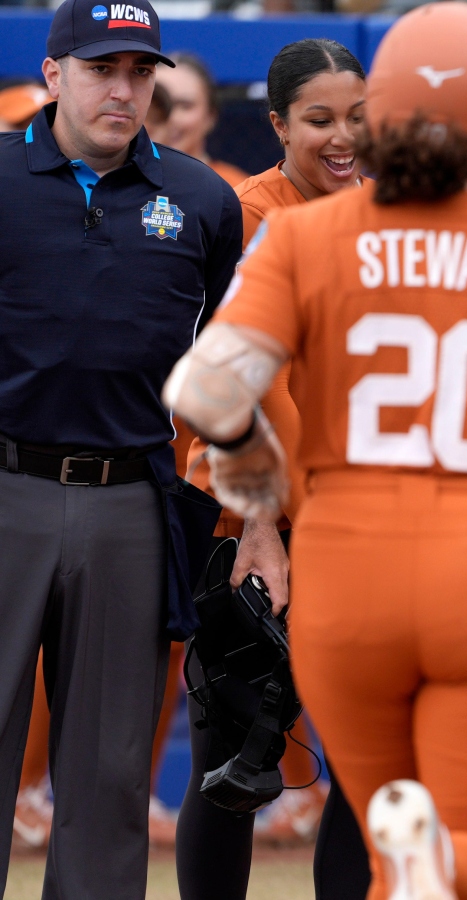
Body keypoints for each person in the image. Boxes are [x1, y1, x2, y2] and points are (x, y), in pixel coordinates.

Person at [163, 3, 467, 896]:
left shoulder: (308, 236)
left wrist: (256, 477)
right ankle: (440, 859)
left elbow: (205, 389)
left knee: (360, 790)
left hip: (355, 567)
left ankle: (419, 857)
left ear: (383, 108)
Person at [0, 0, 242, 893]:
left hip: (133, 495)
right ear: (54, 75)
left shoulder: (203, 199)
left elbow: (233, 363)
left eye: (141, 73)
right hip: (4, 481)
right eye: (103, 69)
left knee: (109, 772)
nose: (125, 90)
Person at [173, 36, 371, 900]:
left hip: (365, 524)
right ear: (278, 124)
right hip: (252, 527)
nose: (343, 138)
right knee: (233, 766)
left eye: (358, 118)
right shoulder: (241, 214)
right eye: (320, 120)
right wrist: (263, 526)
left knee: (369, 768)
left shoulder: (395, 216)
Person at [158, 53, 249, 185]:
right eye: (159, 105)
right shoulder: (120, 183)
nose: (171, 118)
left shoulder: (238, 190)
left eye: (185, 106)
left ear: (210, 116)